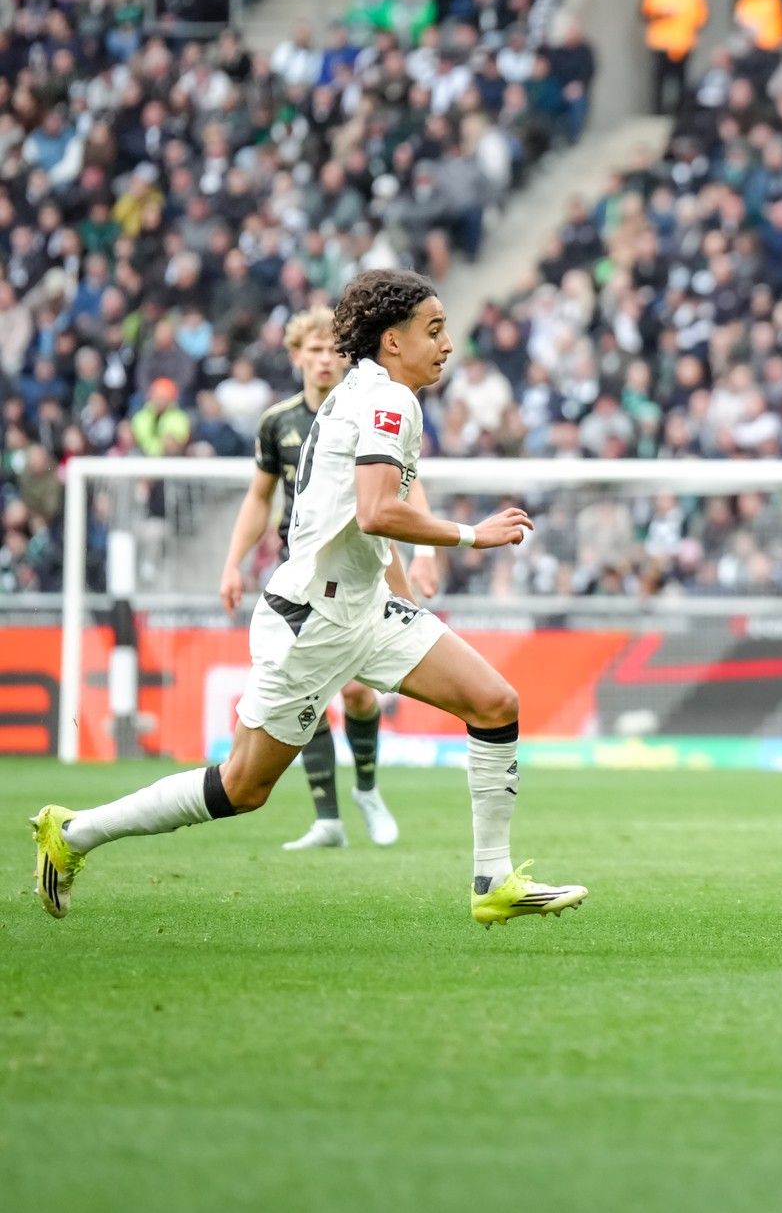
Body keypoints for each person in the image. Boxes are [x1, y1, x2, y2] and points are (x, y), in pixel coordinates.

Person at [32, 270, 587, 928]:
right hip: (315, 619)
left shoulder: (368, 390)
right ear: (391, 341)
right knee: (243, 785)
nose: (446, 345)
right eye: (432, 331)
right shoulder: (389, 402)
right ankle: (74, 833)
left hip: (363, 605)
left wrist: (411, 575)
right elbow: (379, 511)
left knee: (495, 702)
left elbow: (368, 512)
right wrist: (472, 535)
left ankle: (493, 881)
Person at [219, 307, 434, 852]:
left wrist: (427, 549)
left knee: (360, 695)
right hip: (304, 574)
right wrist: (232, 561)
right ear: (297, 355)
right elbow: (259, 497)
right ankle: (327, 818)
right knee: (306, 695)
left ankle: (367, 790)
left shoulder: (364, 408)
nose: (324, 360)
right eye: (313, 350)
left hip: (362, 565)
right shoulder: (278, 422)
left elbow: (403, 483)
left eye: (333, 350)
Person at [640, 0, 707, 116]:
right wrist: (661, 13)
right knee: (659, 79)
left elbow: (701, 16)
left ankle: (680, 111)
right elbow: (644, 13)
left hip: (683, 43)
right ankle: (658, 111)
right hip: (661, 43)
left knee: (682, 79)